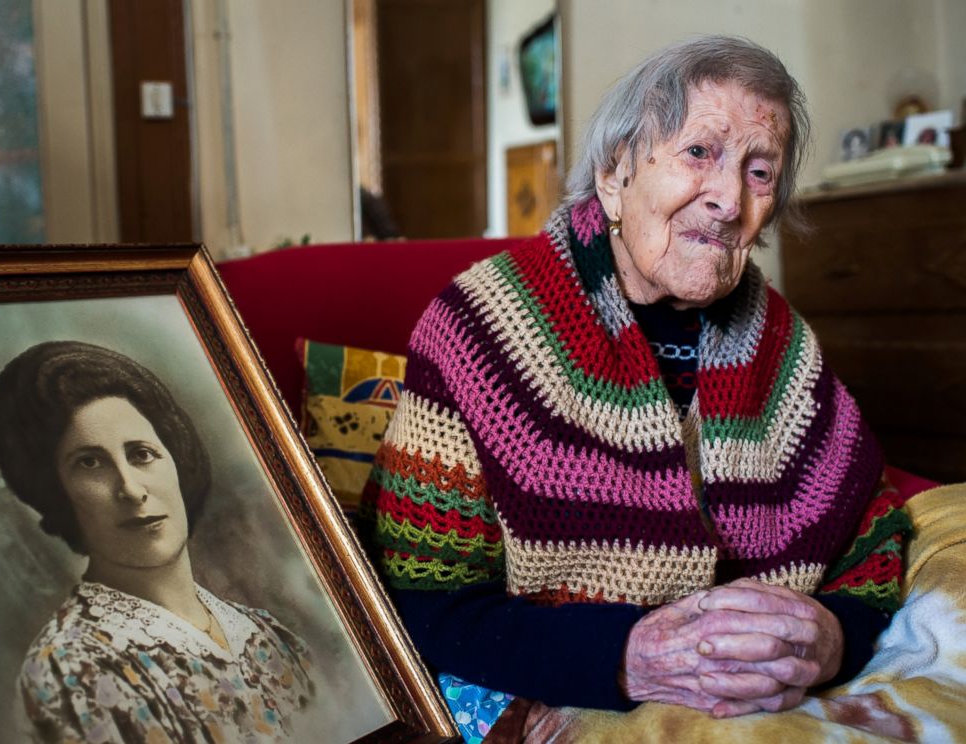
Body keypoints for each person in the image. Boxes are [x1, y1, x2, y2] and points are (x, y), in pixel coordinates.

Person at [360, 35, 911, 738]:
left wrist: (833, 637)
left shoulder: (783, 340)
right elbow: (420, 601)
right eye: (700, 154)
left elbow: (873, 535)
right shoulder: (480, 326)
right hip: (538, 684)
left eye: (761, 171)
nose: (727, 198)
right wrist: (626, 656)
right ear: (615, 171)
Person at [0, 341, 316, 743]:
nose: (130, 488)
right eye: (89, 463)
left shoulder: (267, 635)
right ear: (56, 493)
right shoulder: (69, 673)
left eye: (141, 454)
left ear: (175, 459)